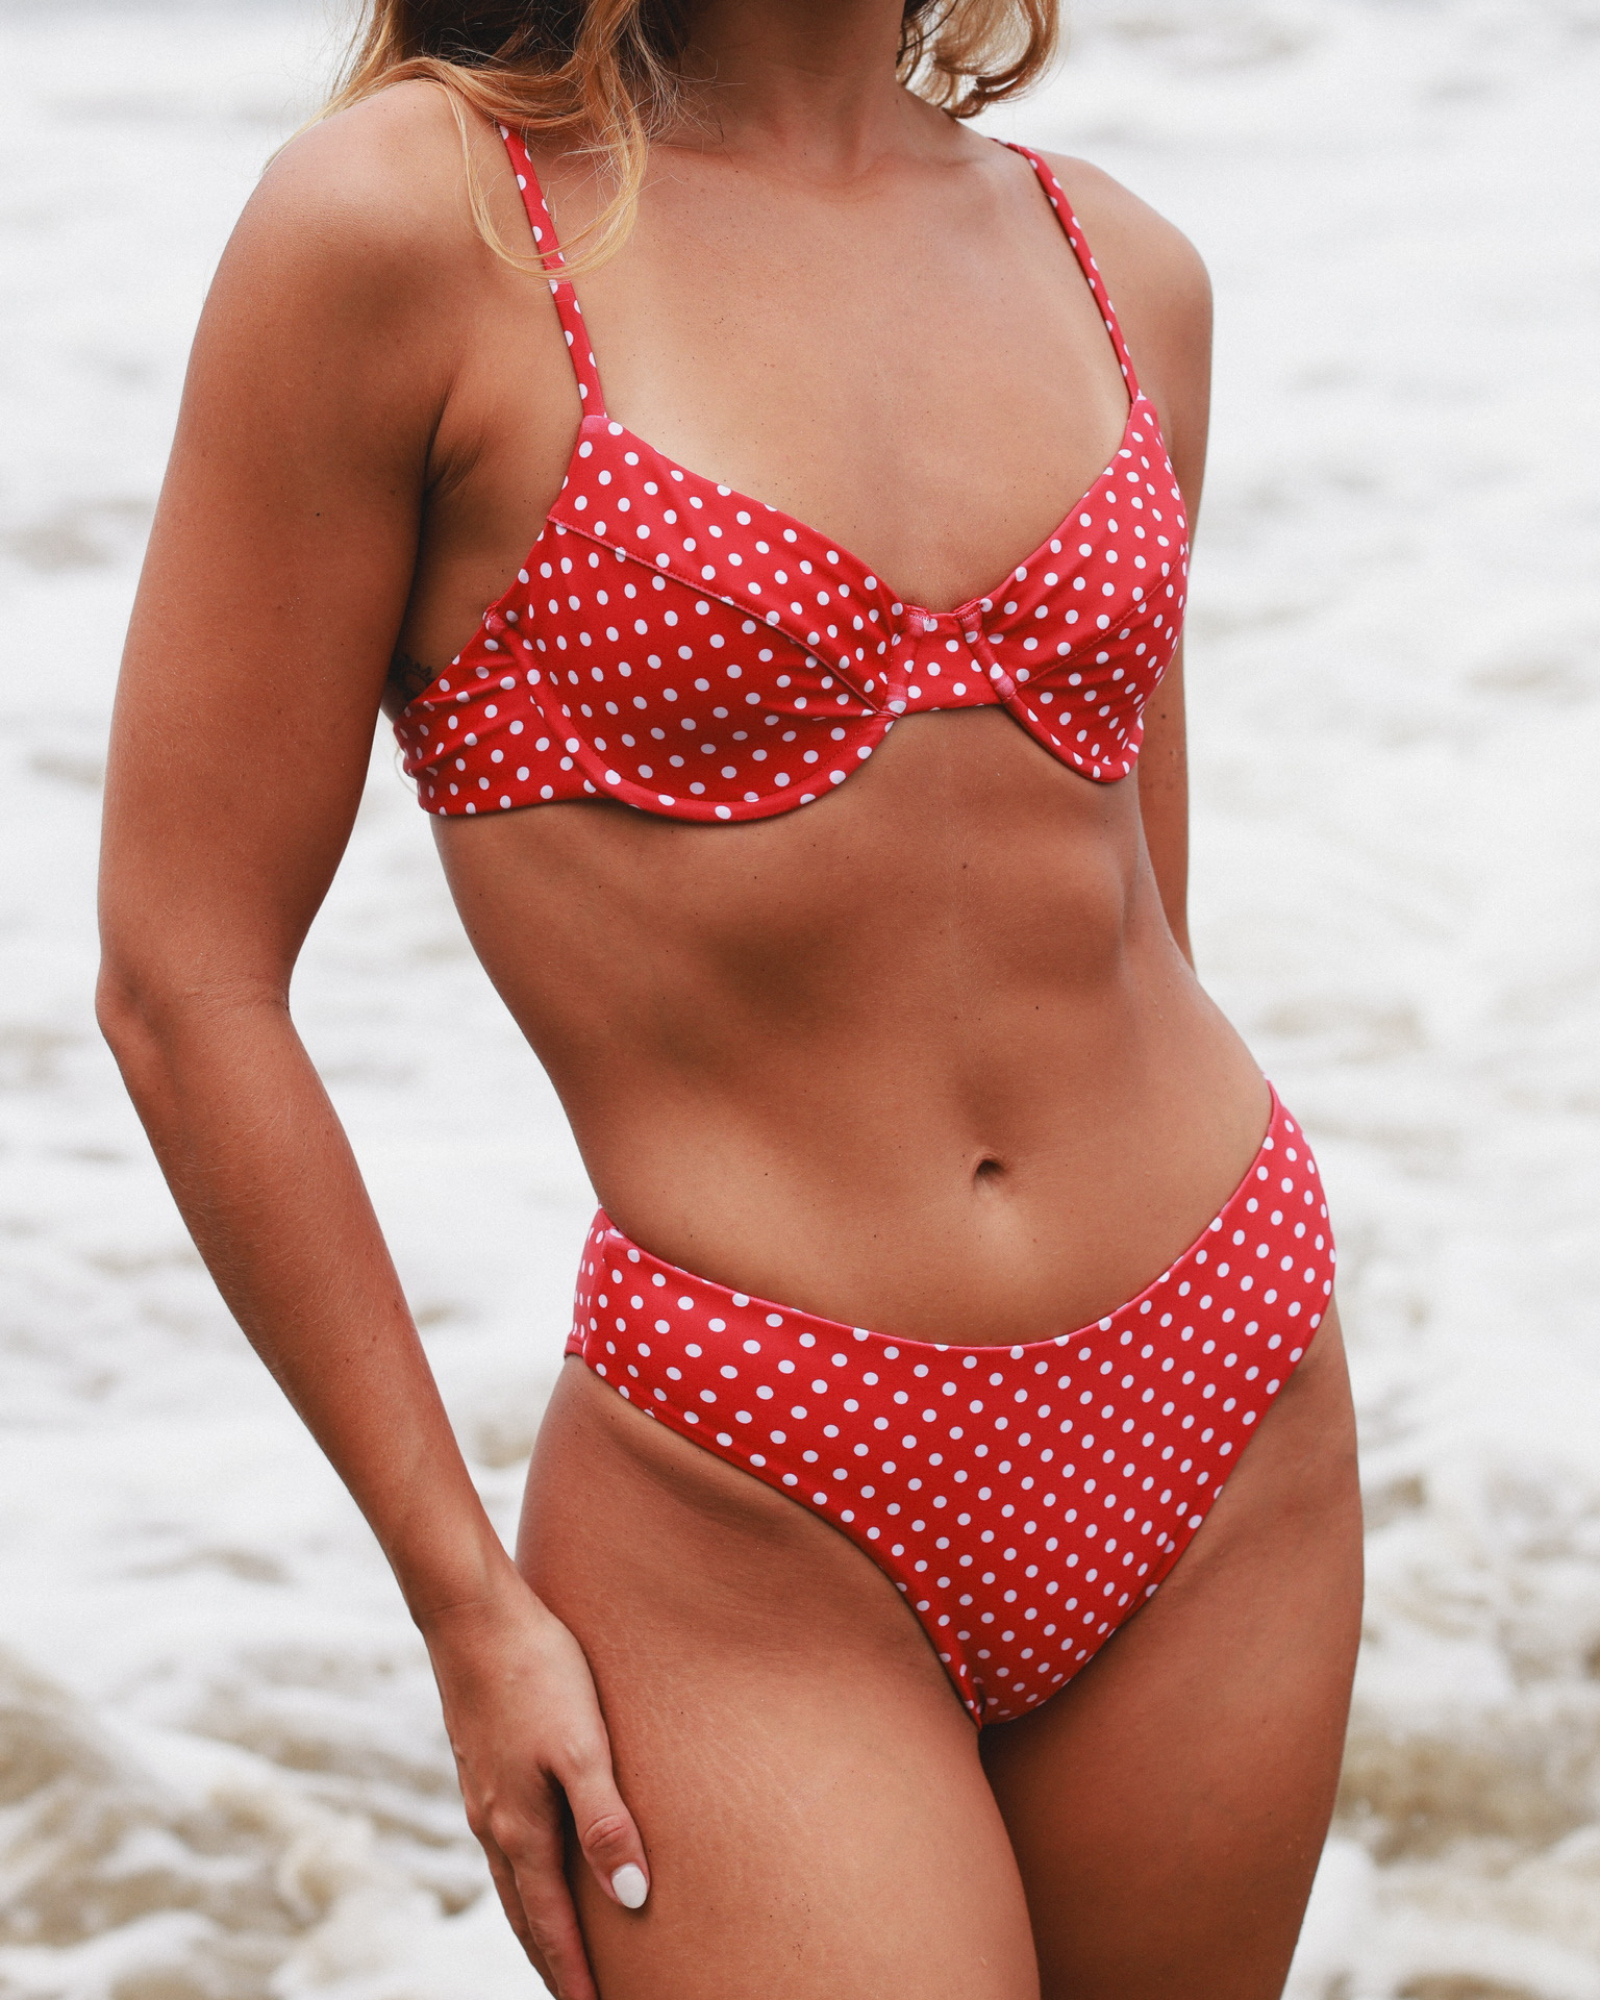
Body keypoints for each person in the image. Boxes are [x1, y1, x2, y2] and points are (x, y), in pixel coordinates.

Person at [96, 2, 1363, 1994]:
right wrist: (462, 1598)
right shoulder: (410, 232)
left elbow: (1121, 907)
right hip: (752, 1492)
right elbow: (184, 977)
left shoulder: (1119, 267)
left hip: (1214, 1389)